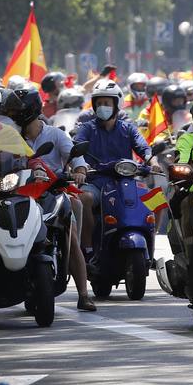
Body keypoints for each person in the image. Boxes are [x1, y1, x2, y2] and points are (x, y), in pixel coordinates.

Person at [4, 87, 96, 311]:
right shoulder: (8, 137)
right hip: (20, 196)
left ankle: (83, 294)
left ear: (31, 110)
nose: (14, 115)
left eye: (18, 111)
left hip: (53, 195)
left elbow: (77, 159)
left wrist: (80, 170)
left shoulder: (55, 135)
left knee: (70, 235)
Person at [72, 79, 151, 254]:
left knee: (152, 199)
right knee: (84, 198)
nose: (102, 107)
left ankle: (149, 251)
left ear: (117, 104)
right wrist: (80, 169)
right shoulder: (87, 128)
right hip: (95, 183)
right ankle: (88, 248)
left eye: (106, 103)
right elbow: (76, 147)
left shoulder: (128, 128)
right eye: (99, 103)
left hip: (125, 183)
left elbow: (143, 147)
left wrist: (152, 161)